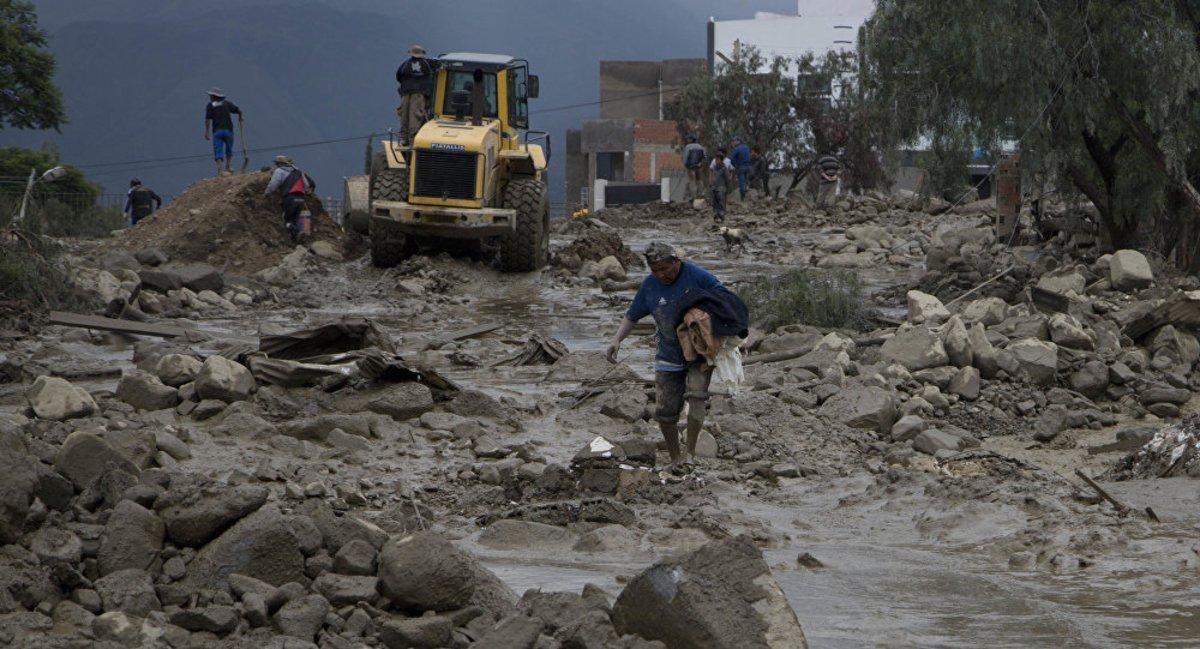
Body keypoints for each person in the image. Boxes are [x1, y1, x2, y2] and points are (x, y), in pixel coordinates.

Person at [606, 242, 724, 470]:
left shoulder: (697, 276)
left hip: (699, 351)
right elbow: (632, 315)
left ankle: (690, 455)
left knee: (697, 396)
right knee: (665, 412)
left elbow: (724, 298)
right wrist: (616, 340)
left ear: (676, 262)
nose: (661, 274)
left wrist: (725, 331)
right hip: (668, 352)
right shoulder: (650, 286)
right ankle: (675, 458)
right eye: (655, 270)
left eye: (665, 269)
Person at [264, 155, 316, 243]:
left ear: (279, 164)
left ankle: (298, 232)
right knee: (294, 220)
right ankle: (296, 241)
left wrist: (266, 193)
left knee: (286, 221)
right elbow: (306, 185)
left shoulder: (279, 171)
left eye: (276, 164)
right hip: (301, 199)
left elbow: (273, 184)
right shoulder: (298, 171)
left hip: (290, 198)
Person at [395, 45, 438, 146]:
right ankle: (413, 140)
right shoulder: (425, 64)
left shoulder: (405, 63)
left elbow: (398, 76)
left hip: (406, 92)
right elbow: (430, 78)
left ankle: (404, 138)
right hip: (419, 94)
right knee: (415, 114)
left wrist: (405, 85)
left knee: (404, 114)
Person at [204, 87, 243, 176]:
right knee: (229, 149)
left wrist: (207, 132)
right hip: (228, 131)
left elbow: (207, 120)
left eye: (211, 96)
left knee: (218, 150)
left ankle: (220, 170)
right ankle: (228, 167)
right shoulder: (226, 103)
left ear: (214, 97)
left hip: (217, 131)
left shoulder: (210, 106)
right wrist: (240, 117)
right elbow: (238, 110)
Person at [709, 148, 733, 223]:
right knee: (715, 201)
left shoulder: (724, 168)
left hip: (721, 188)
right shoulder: (715, 168)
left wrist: (727, 185)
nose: (716, 161)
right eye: (716, 160)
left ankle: (722, 215)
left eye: (718, 160)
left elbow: (727, 178)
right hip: (715, 187)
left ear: (721, 160)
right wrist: (711, 183)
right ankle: (716, 214)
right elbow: (712, 176)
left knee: (721, 201)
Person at [681, 134, 707, 201]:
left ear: (691, 139)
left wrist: (685, 165)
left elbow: (685, 158)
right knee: (699, 180)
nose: (687, 140)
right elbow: (705, 157)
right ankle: (702, 193)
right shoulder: (701, 147)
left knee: (692, 180)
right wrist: (700, 164)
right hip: (699, 166)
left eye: (688, 139)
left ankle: (694, 195)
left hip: (690, 166)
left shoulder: (688, 147)